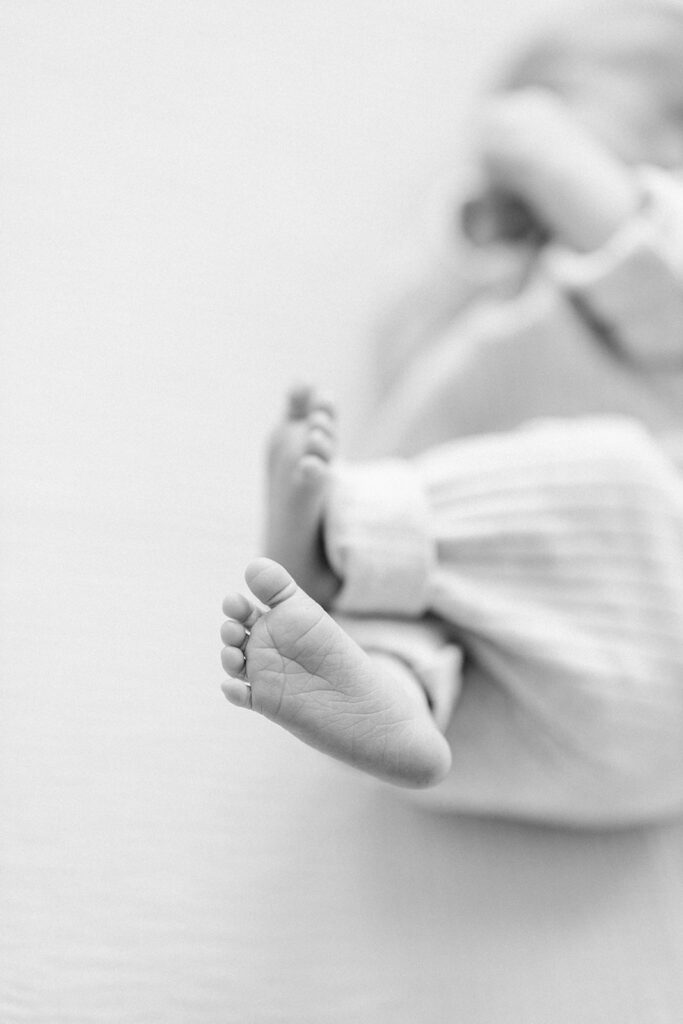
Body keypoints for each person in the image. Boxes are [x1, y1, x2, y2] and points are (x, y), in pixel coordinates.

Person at [220, 0, 683, 823]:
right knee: (410, 654)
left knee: (618, 476)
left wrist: (542, 147)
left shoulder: (646, 286)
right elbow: (402, 347)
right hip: (564, 714)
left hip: (643, 583)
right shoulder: (497, 289)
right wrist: (468, 247)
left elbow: (656, 270)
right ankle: (392, 701)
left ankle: (336, 547)